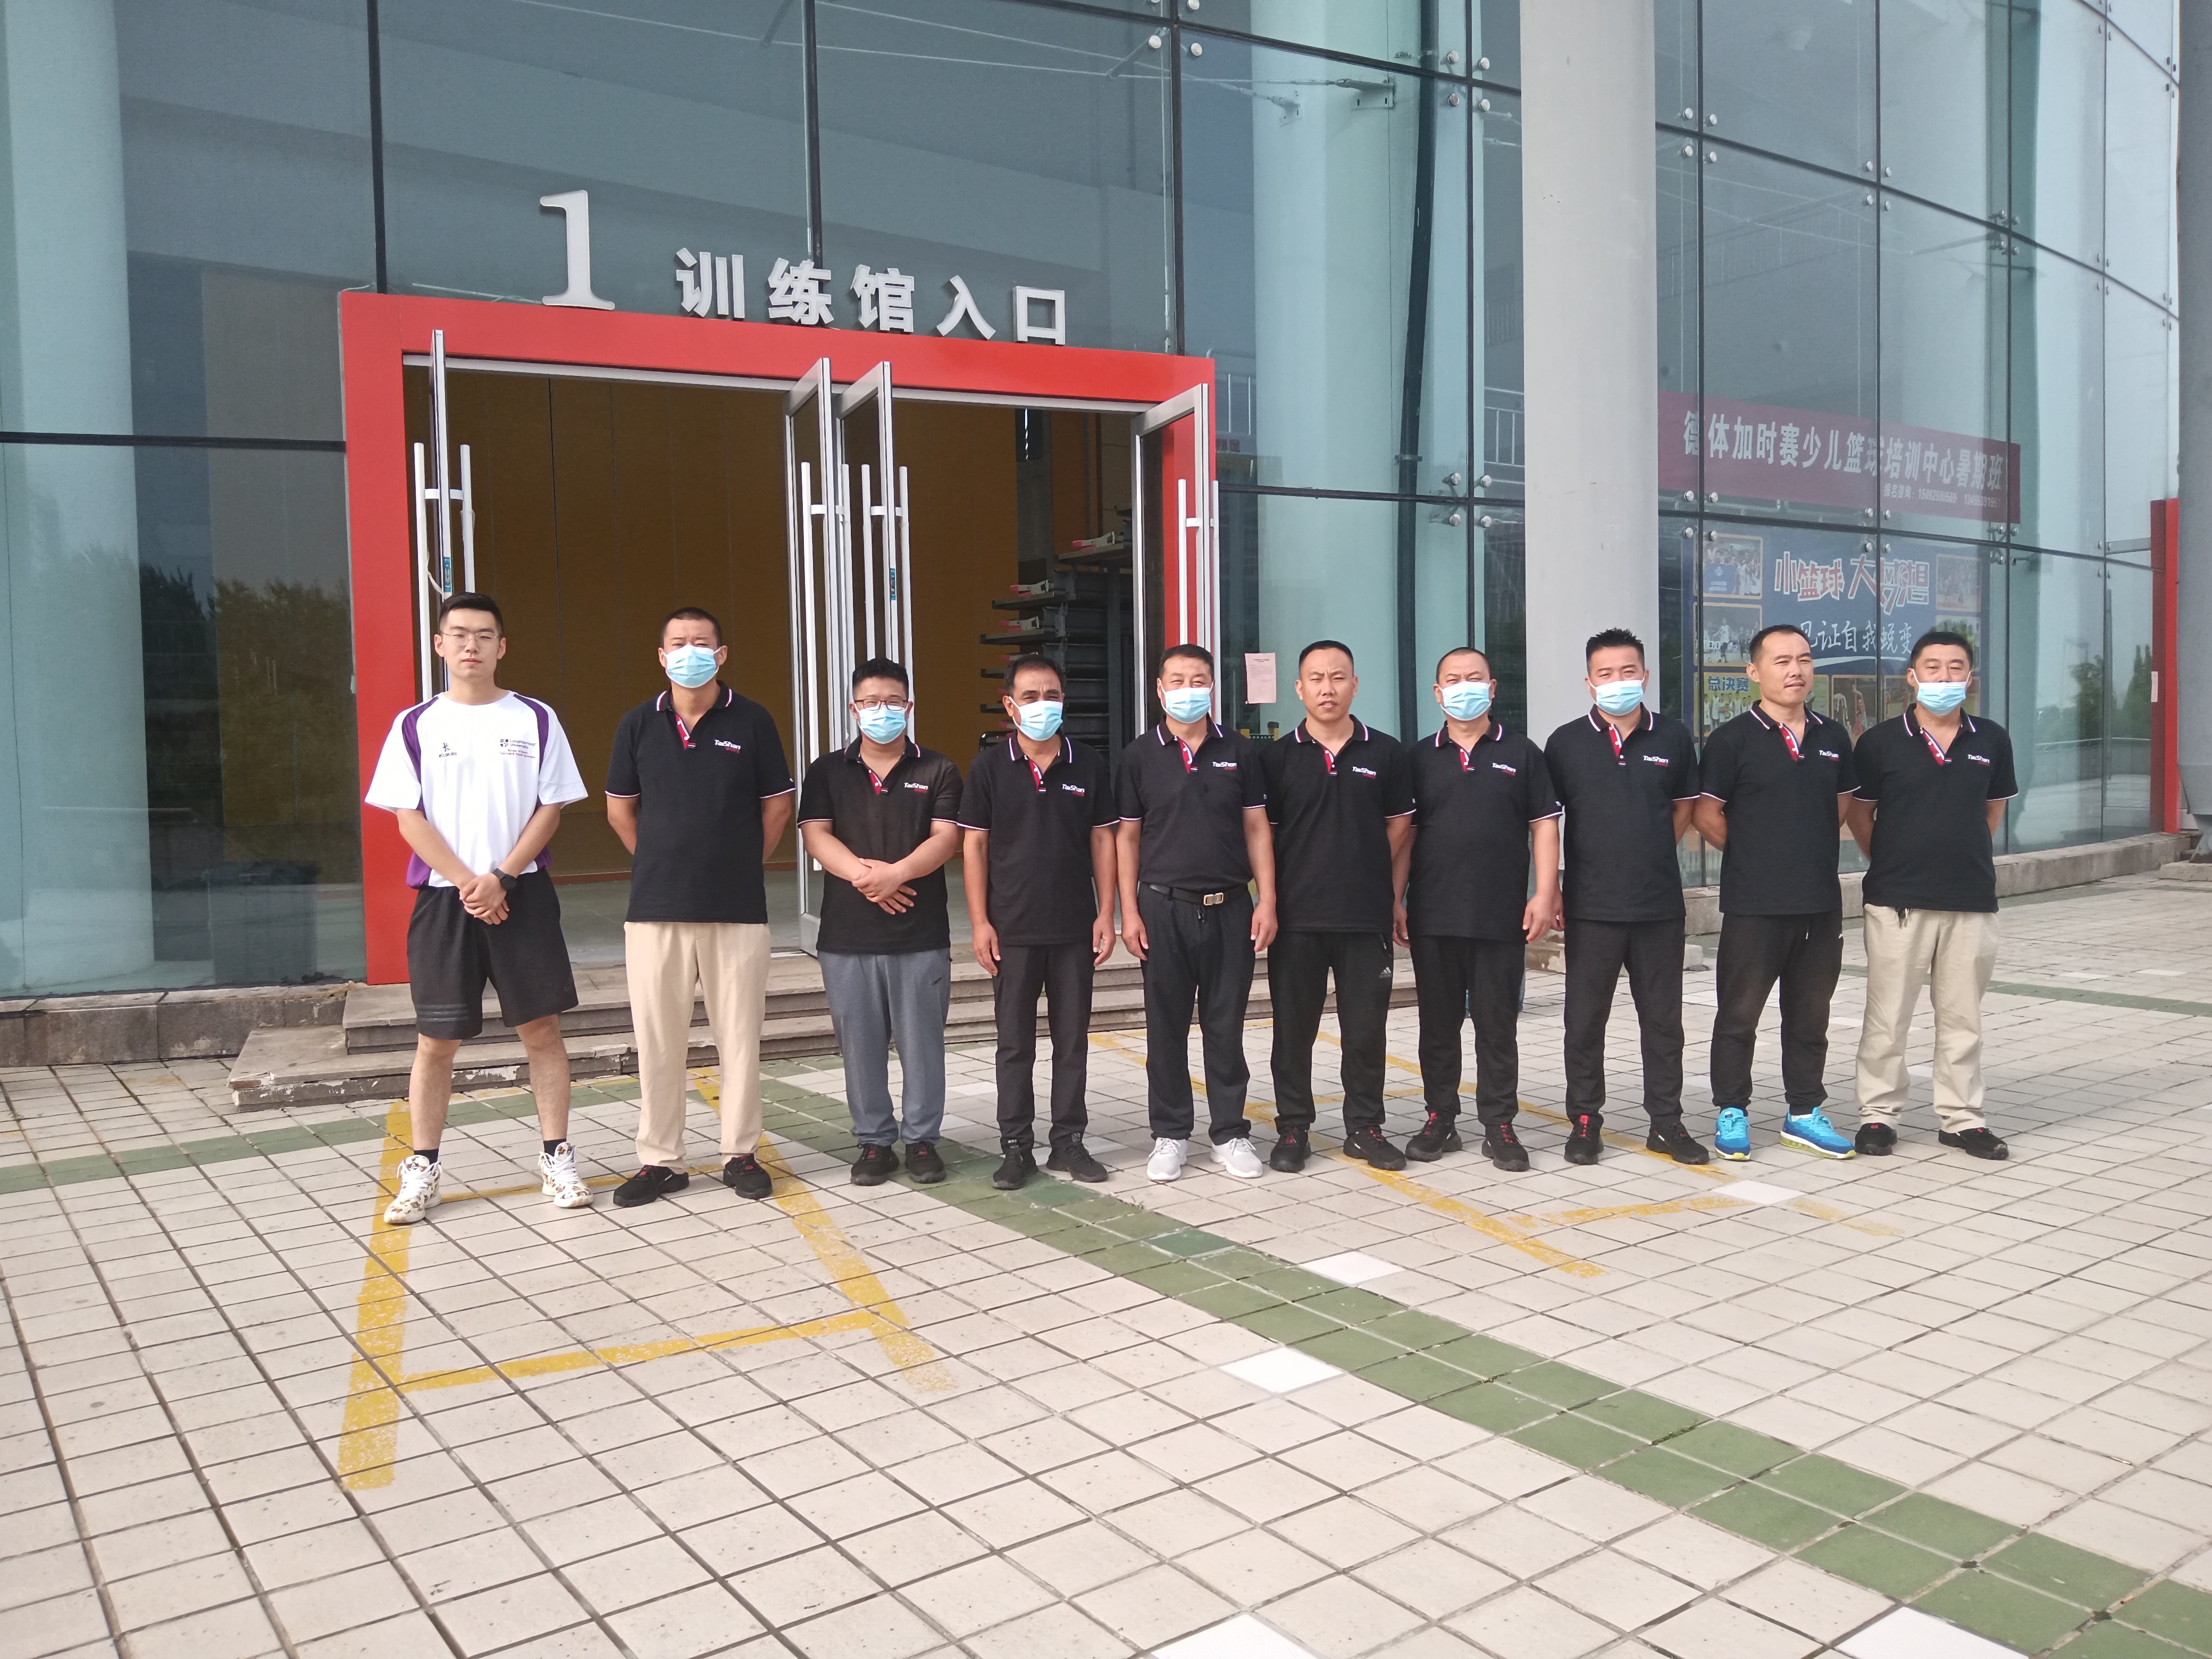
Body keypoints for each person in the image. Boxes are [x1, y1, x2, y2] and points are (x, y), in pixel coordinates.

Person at [363, 593, 591, 1224]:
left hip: (523, 894)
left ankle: (556, 1157)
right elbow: (407, 816)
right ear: (440, 645)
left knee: (541, 1032)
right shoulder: (415, 725)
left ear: (501, 647)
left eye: (484, 635)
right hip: (445, 900)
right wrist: (472, 883)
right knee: (436, 1041)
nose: (472, 645)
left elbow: (551, 807)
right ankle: (423, 1168)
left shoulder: (535, 718)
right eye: (459, 634)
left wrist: (502, 878)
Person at [602, 607, 795, 1208]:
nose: (691, 652)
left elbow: (777, 807)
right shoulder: (638, 724)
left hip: (736, 909)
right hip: (655, 909)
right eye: (679, 643)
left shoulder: (753, 720)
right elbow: (619, 810)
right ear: (662, 657)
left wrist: (738, 863)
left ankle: (740, 1153)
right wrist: (662, 860)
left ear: (722, 653)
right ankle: (661, 1161)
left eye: (702, 643)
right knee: (658, 1041)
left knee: (739, 1039)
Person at [1846, 630, 2017, 1160]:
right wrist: (1894, 859)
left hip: (1970, 899)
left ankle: (1962, 1119)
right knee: (1887, 1015)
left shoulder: (1991, 739)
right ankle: (1878, 1114)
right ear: (1912, 677)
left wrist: (1956, 854)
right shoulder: (1879, 742)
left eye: (1955, 667)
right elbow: (1860, 815)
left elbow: (1992, 812)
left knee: (1962, 1018)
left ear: (1970, 677)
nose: (1944, 677)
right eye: (1933, 667)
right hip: (1896, 899)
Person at [1691, 625, 1858, 1161]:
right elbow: (1706, 815)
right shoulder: (1731, 740)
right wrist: (1757, 852)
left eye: (1803, 659)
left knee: (1810, 1016)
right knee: (1738, 1015)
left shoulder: (1833, 737)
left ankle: (1803, 1111)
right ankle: (1731, 1109)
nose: (1795, 670)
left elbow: (1838, 808)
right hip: (1753, 904)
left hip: (1818, 902)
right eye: (1781, 661)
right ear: (1754, 672)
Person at [796, 658, 965, 1185]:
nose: (881, 711)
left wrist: (898, 874)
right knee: (860, 1046)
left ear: (908, 707)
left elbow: (946, 837)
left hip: (920, 933)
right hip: (847, 935)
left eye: (892, 701)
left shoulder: (938, 769)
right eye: (870, 702)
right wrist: (866, 877)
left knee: (923, 1045)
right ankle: (873, 1142)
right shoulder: (827, 770)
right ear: (854, 709)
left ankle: (921, 1140)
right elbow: (815, 833)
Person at [1117, 644, 1277, 1182]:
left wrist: (1267, 899)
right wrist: (1128, 911)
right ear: (1160, 690)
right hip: (1162, 907)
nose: (1189, 690)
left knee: (1224, 1026)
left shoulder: (1239, 750)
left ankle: (1230, 1133)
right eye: (1178, 681)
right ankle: (1169, 1134)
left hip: (1230, 906)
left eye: (1199, 680)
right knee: (1165, 1028)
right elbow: (1127, 838)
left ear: (1213, 687)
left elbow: (1256, 828)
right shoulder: (1139, 755)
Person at [1545, 627, 1705, 1166]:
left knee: (1662, 1021)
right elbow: (1547, 822)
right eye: (1606, 673)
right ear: (1589, 683)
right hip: (1590, 906)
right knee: (1583, 1021)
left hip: (1658, 906)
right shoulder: (1565, 743)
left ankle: (1666, 1121)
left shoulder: (1673, 738)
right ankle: (1585, 1120)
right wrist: (1552, 889)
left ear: (1645, 675)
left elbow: (1682, 809)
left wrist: (1649, 854)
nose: (1618, 681)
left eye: (1628, 671)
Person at [959, 653, 1119, 1189]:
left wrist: (1106, 913)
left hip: (1074, 927)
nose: (1041, 705)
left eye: (1051, 695)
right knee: (1014, 1044)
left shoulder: (1088, 763)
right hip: (1012, 930)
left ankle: (1068, 1142)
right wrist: (980, 922)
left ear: (1064, 701)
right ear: (1009, 705)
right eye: (1030, 697)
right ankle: (1015, 1146)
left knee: (1072, 1042)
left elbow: (1103, 839)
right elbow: (974, 846)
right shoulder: (988, 768)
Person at [1402, 648, 1561, 1171]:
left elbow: (1543, 825)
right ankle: (1439, 1118)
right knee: (1437, 1025)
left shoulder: (1522, 752)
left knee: (1497, 1025)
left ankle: (1499, 1123)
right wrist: (1394, 899)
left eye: (1474, 678)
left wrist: (1544, 893)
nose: (1463, 687)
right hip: (1433, 914)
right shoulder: (1418, 759)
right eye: (1452, 680)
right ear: (1437, 692)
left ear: (1492, 689)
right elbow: (1405, 835)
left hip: (1500, 915)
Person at [1259, 641, 1414, 1171]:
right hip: (1296, 919)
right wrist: (1269, 902)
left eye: (1338, 677)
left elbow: (1401, 826)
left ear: (1354, 684)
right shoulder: (1276, 758)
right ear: (1299, 689)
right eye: (1317, 679)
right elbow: (1264, 836)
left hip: (1364, 916)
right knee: (1292, 1030)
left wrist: (1378, 881)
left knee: (1365, 1031)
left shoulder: (1386, 753)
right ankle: (1293, 1127)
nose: (1328, 688)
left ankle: (1364, 1128)